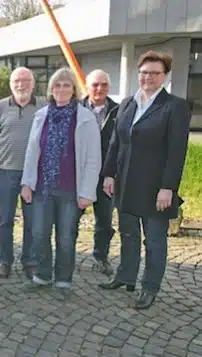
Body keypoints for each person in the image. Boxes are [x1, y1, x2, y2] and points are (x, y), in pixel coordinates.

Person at [99, 51, 192, 310]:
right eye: (143, 73)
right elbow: (116, 142)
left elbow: (176, 152)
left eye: (154, 73)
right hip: (126, 183)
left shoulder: (175, 106)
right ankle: (126, 276)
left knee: (153, 240)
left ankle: (149, 287)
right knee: (128, 233)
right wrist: (109, 174)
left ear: (164, 76)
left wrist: (168, 188)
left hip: (155, 187)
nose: (148, 77)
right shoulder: (128, 103)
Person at [21, 68, 101, 296]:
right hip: (42, 188)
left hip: (70, 189)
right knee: (39, 234)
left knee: (66, 237)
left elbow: (94, 158)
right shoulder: (42, 115)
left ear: (74, 90)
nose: (62, 89)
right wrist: (27, 183)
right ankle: (43, 275)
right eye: (57, 85)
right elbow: (32, 151)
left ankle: (64, 279)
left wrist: (87, 192)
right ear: (51, 89)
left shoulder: (85, 118)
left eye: (67, 85)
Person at [0, 67, 45, 279]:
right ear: (10, 84)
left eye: (25, 81)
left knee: (32, 220)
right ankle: (5, 260)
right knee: (5, 220)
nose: (21, 85)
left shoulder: (42, 106)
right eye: (16, 81)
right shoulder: (1, 106)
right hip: (6, 172)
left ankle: (29, 261)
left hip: (33, 174)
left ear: (32, 84)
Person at [80, 69, 120, 276]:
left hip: (106, 175)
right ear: (87, 87)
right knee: (70, 217)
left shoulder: (118, 111)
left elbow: (121, 145)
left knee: (104, 221)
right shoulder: (75, 108)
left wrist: (111, 174)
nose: (99, 89)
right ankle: (66, 253)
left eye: (104, 85)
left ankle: (100, 256)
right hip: (79, 175)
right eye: (95, 85)